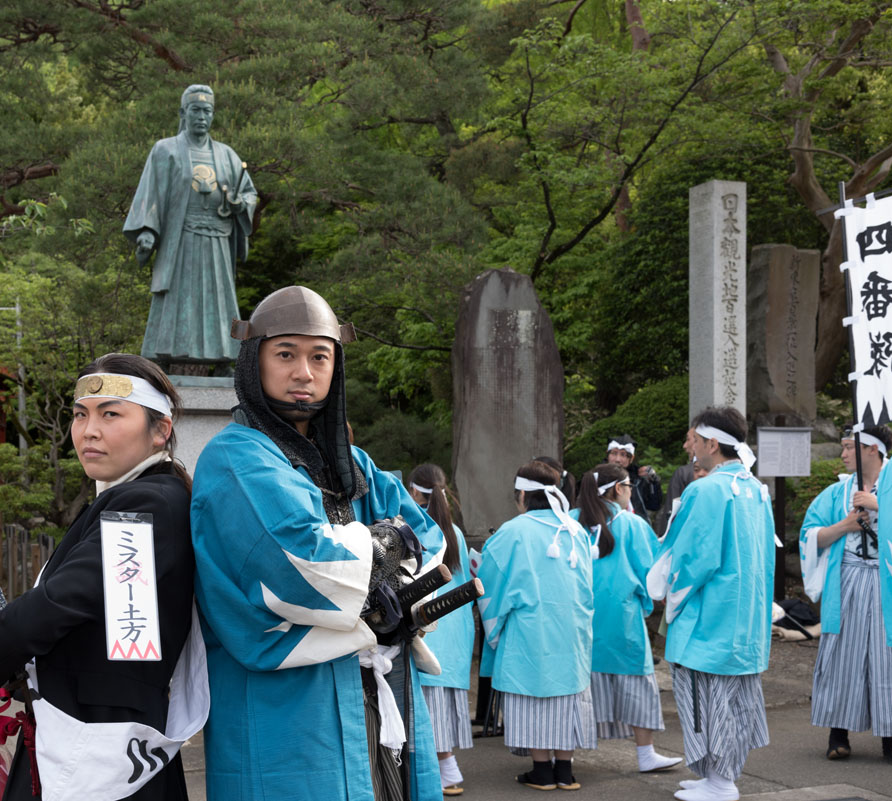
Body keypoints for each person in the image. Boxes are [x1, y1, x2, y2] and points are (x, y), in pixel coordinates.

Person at [190, 286, 446, 801]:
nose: (303, 372)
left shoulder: (355, 463)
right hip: (287, 707)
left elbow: (432, 542)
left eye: (319, 356)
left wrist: (377, 567)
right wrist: (384, 562)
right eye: (285, 354)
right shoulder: (236, 457)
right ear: (253, 360)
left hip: (378, 683)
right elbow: (301, 564)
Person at [0, 354, 199, 800]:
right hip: (98, 736)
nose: (88, 430)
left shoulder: (147, 506)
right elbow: (117, 633)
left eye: (111, 414)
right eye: (81, 415)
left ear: (161, 430)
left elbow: (62, 601)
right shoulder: (138, 496)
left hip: (100, 753)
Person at [647, 407, 774, 801]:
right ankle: (717, 778)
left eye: (693, 439)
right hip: (744, 617)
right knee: (734, 701)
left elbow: (693, 558)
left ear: (712, 443)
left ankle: (720, 783)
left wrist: (671, 595)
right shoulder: (757, 489)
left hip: (709, 618)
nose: (688, 446)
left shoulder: (705, 490)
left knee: (706, 701)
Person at [477, 460, 596, 791]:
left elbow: (489, 586)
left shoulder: (511, 532)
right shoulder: (576, 531)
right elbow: (589, 586)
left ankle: (542, 770)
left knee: (534, 698)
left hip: (529, 628)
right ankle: (565, 770)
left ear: (522, 495)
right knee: (568, 696)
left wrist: (494, 629)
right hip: (573, 628)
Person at [123, 84, 259, 366]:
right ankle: (162, 359)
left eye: (207, 111)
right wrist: (147, 231)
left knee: (219, 301)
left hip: (217, 242)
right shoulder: (165, 150)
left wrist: (239, 204)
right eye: (195, 110)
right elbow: (151, 194)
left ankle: (225, 361)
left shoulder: (227, 155)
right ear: (182, 112)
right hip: (181, 241)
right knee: (176, 300)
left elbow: (248, 193)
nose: (201, 117)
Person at [574, 463, 682, 773]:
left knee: (576, 683)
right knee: (635, 680)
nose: (631, 492)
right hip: (622, 618)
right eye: (630, 487)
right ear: (619, 489)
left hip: (579, 617)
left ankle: (561, 755)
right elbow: (653, 573)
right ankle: (645, 753)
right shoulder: (633, 526)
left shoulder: (571, 521)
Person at [803, 426, 892, 764]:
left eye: (848, 447)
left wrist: (880, 506)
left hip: (889, 582)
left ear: (872, 449)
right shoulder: (833, 494)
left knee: (888, 658)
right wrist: (844, 525)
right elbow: (809, 535)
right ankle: (837, 732)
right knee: (844, 653)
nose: (842, 454)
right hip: (849, 578)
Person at [408, 463, 474, 797]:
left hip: (427, 628)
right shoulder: (455, 531)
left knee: (425, 711)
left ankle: (445, 771)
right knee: (442, 705)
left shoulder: (409, 527)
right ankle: (447, 767)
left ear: (414, 491)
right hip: (455, 630)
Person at [607, 435, 661, 520]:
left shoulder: (638, 478)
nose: (617, 459)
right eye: (614, 453)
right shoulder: (596, 477)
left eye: (623, 455)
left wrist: (653, 482)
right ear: (608, 454)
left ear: (631, 458)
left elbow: (653, 505)